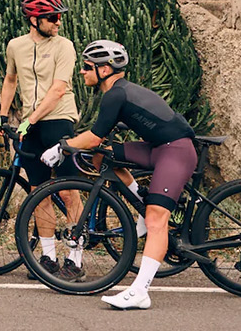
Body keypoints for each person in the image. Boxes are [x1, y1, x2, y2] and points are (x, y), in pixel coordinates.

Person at [55, 39, 200, 312]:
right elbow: (100, 141)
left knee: (158, 219)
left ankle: (140, 291)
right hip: (157, 148)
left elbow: (93, 136)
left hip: (176, 151)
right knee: (105, 154)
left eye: (87, 67)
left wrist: (61, 147)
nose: (82, 72)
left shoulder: (115, 94)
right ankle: (140, 203)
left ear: (105, 69)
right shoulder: (116, 92)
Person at [0, 0, 86, 279]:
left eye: (60, 16)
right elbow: (10, 80)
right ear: (34, 20)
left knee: (67, 190)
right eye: (52, 18)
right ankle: (47, 259)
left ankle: (75, 259)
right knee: (38, 192)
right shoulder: (16, 46)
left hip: (58, 120)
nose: (58, 22)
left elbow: (58, 89)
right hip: (30, 124)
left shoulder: (65, 46)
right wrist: (2, 116)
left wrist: (30, 120)